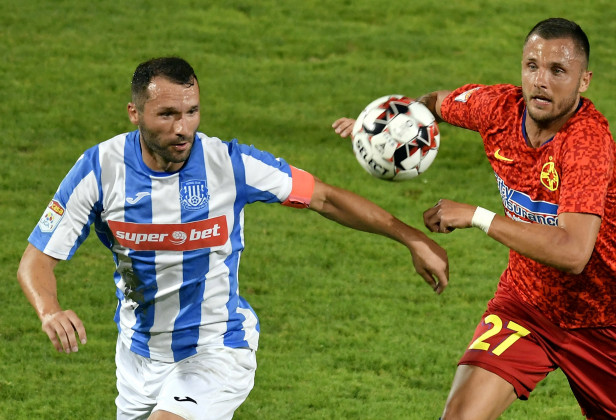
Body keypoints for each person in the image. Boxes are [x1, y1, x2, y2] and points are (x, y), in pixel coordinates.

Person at [17, 56, 449, 420]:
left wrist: (412, 238)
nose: (182, 127)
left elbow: (325, 198)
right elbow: (36, 259)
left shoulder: (229, 164)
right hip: (137, 358)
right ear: (135, 113)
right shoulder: (99, 170)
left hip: (216, 349)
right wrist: (49, 310)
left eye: (191, 112)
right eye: (167, 115)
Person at [333, 17, 616, 420]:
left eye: (558, 71)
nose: (541, 80)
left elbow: (574, 252)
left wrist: (477, 216)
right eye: (532, 66)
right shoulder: (498, 109)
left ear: (584, 80)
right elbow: (432, 103)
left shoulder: (587, 144)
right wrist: (380, 130)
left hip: (601, 321)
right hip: (525, 305)